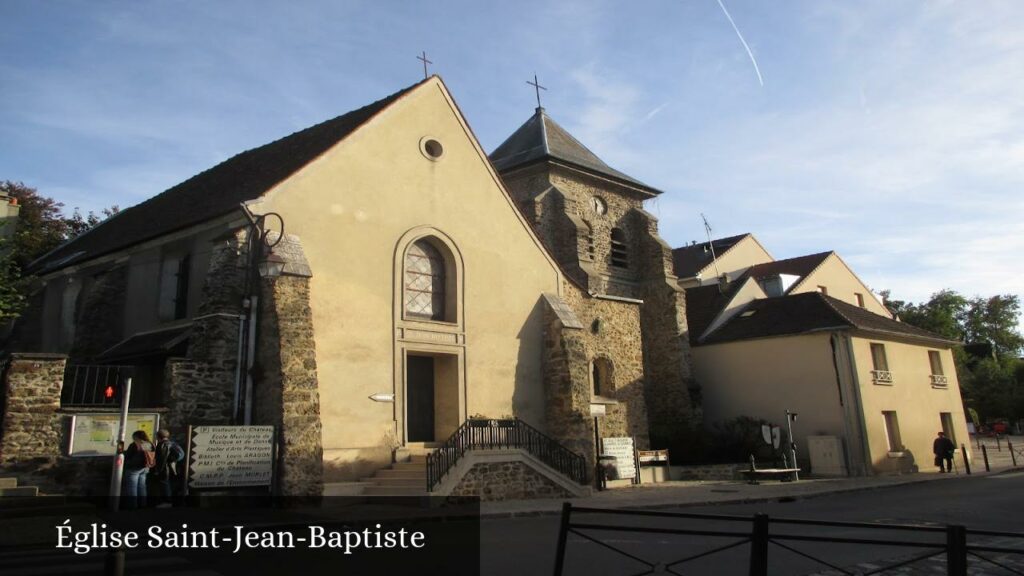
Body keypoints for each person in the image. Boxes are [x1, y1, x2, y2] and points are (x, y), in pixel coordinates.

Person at [122, 430, 154, 508]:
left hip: (134, 468)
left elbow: (128, 455)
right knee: (142, 486)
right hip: (145, 467)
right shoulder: (149, 443)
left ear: (136, 437)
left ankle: (133, 505)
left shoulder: (135, 444)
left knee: (132, 487)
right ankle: (143, 504)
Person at [153, 429, 185, 507]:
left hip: (165, 469)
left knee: (165, 484)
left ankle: (167, 502)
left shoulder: (162, 444)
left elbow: (162, 459)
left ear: (158, 436)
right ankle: (172, 501)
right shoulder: (173, 443)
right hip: (173, 468)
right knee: (170, 484)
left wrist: (158, 470)